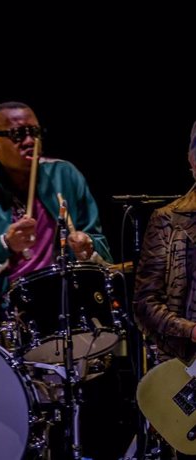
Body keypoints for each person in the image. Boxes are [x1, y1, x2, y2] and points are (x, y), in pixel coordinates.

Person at [0, 101, 112, 336]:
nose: (30, 141)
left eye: (34, 132)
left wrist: (88, 248)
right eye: (18, 134)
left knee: (113, 325)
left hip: (65, 297)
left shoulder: (65, 176)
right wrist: (3, 246)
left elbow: (103, 248)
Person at [133, 121, 196, 459]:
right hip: (185, 363)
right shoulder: (168, 221)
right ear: (191, 160)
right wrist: (191, 330)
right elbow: (145, 304)